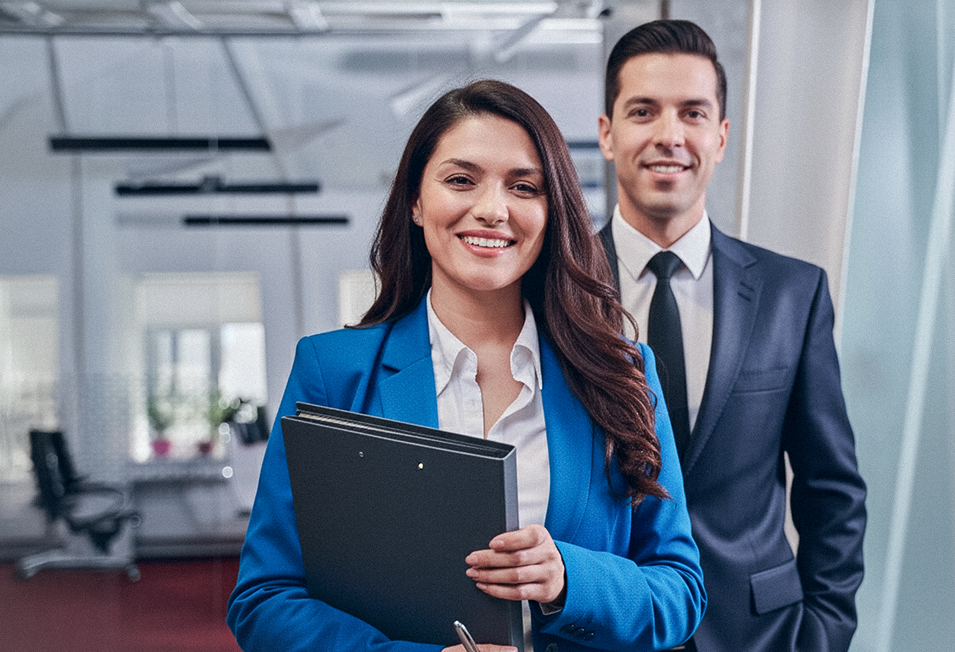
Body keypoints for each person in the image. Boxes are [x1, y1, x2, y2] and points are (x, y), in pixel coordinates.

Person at [227, 79, 706, 652]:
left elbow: (679, 591)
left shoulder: (620, 372)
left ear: (552, 211)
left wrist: (567, 581)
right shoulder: (332, 371)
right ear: (415, 200)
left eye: (524, 186)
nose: (491, 210)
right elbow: (265, 598)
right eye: (460, 180)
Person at [595, 20, 868, 652]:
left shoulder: (792, 294)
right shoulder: (554, 289)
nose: (670, 135)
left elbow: (833, 491)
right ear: (608, 134)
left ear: (720, 137)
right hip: (606, 628)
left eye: (693, 113)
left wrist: (823, 635)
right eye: (643, 111)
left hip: (761, 633)